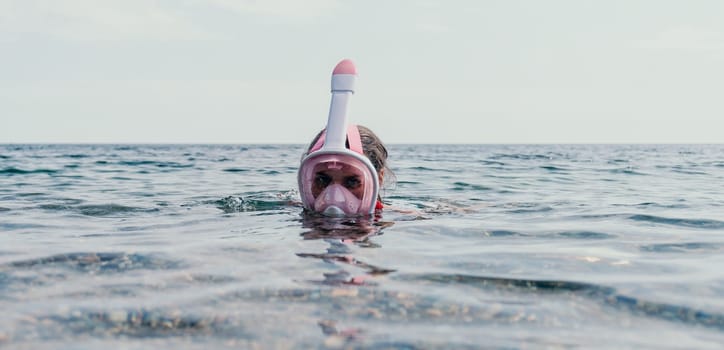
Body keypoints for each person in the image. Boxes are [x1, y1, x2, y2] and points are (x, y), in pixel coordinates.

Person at [297, 59, 392, 217]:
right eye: (322, 181)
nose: (335, 198)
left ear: (378, 179)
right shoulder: (289, 212)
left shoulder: (403, 219)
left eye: (352, 182)